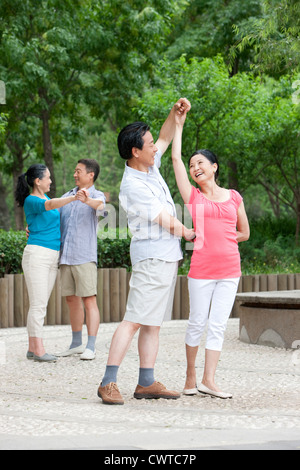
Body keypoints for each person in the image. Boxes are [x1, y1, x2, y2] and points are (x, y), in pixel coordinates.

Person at [97, 98, 195, 405]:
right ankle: (108, 381)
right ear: (135, 152)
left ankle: (146, 382)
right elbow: (165, 220)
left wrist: (175, 113)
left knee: (153, 322)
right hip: (152, 257)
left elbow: (166, 137)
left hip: (165, 257)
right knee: (134, 319)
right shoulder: (133, 186)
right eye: (149, 144)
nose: (156, 147)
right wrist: (189, 232)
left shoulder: (149, 167)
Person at [171, 108, 250, 398]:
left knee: (217, 326)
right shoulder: (193, 197)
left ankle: (209, 381)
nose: (194, 167)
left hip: (230, 271)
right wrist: (178, 125)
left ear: (214, 167)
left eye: (200, 162)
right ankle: (191, 377)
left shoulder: (234, 197)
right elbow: (176, 160)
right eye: (193, 165)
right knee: (196, 323)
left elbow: (244, 232)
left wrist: (227, 241)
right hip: (201, 271)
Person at [15, 164, 84, 362]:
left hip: (52, 256)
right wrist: (73, 197)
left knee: (40, 304)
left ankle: (31, 347)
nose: (50, 181)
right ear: (38, 181)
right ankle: (38, 350)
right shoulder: (32, 200)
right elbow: (50, 206)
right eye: (48, 177)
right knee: (38, 305)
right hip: (37, 255)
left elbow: (50, 215)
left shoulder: (45, 198)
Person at [56, 159, 106, 360]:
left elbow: (103, 209)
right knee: (71, 299)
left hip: (84, 256)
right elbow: (53, 216)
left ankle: (91, 346)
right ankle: (76, 344)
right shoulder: (66, 196)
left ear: (90, 174)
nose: (75, 174)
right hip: (65, 256)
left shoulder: (96, 195)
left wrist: (87, 200)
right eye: (75, 171)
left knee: (89, 300)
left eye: (79, 171)